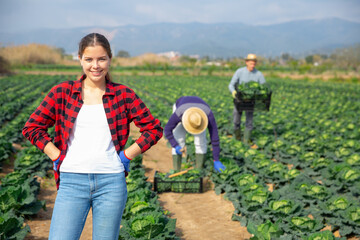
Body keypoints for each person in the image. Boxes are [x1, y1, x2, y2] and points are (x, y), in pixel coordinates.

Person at [22, 33, 163, 239]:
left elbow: (153, 129)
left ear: (109, 59)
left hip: (111, 183)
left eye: (101, 59)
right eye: (89, 59)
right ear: (79, 59)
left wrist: (126, 156)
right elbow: (32, 127)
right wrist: (56, 155)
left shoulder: (123, 94)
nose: (95, 65)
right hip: (71, 182)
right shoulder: (63, 92)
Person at [164, 96, 226, 172]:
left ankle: (198, 171)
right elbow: (167, 130)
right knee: (179, 137)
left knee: (201, 141)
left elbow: (214, 137)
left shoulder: (207, 115)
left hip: (201, 111)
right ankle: (176, 170)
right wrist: (175, 145)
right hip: (181, 107)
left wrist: (216, 159)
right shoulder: (178, 113)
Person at [228, 53, 266, 143]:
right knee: (236, 121)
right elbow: (231, 84)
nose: (253, 65)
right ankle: (237, 139)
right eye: (251, 63)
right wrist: (233, 91)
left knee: (249, 122)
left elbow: (264, 87)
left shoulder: (259, 74)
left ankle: (246, 141)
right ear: (246, 62)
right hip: (239, 100)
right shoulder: (240, 72)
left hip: (251, 101)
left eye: (254, 63)